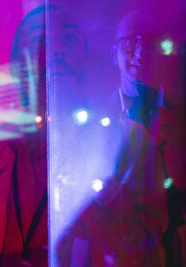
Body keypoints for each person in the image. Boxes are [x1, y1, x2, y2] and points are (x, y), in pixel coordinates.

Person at [57, 11, 186, 266]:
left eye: (148, 43)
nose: (139, 53)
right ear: (113, 53)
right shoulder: (91, 124)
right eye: (130, 43)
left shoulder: (182, 121)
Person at [0, 5, 88, 266]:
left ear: (85, 58)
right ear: (17, 67)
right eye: (41, 42)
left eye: (67, 38)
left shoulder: (103, 139)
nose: (55, 52)